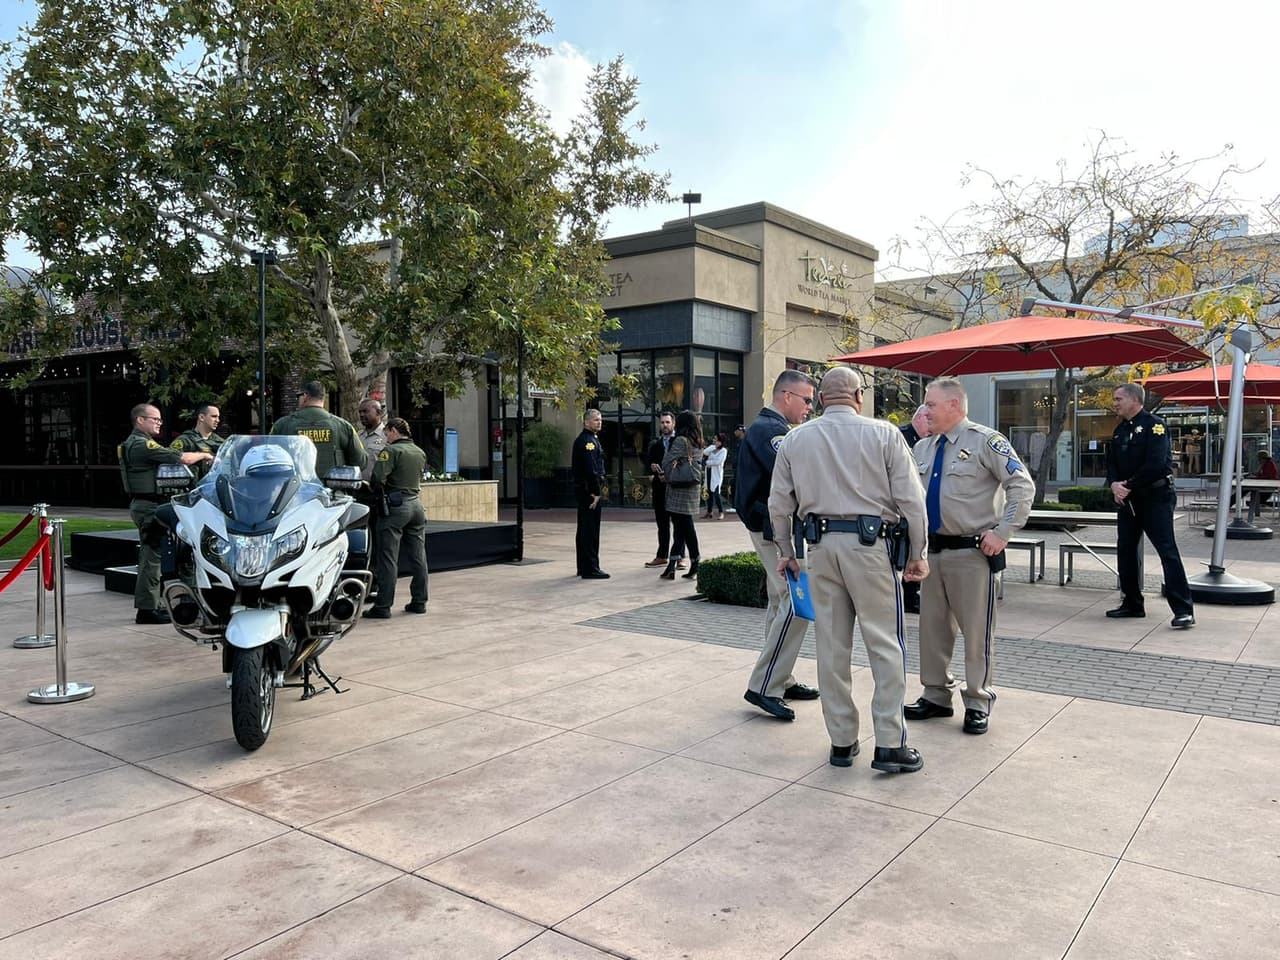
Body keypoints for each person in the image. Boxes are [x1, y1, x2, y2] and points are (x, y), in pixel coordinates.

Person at [770, 367, 929, 772]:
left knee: (832, 645)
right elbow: (912, 501)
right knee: (885, 644)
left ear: (821, 399)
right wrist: (918, 552)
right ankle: (890, 743)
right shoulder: (885, 434)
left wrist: (787, 550)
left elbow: (779, 504)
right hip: (870, 548)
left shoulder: (795, 439)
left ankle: (842, 741)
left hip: (820, 549)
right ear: (858, 396)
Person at [905, 376, 1035, 735]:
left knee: (976, 633)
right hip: (933, 554)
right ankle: (935, 696)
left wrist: (1003, 531)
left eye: (930, 404)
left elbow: (1021, 485)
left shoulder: (986, 441)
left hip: (971, 554)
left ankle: (977, 701)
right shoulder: (924, 448)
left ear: (954, 406)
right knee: (931, 631)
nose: (924, 411)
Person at [737, 370, 821, 721]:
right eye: (806, 400)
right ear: (786, 395)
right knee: (797, 603)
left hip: (770, 526)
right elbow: (797, 478)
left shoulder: (770, 429)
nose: (809, 408)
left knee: (780, 602)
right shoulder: (772, 431)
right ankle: (765, 684)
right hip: (774, 529)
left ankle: (779, 678)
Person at [1105, 382, 1195, 629]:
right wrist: (1114, 484)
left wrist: (1128, 485)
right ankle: (1132, 603)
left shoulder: (1155, 426)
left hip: (1155, 498)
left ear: (1134, 400)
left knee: (1167, 551)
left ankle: (1183, 609)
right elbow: (1111, 464)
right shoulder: (1119, 431)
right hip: (1128, 501)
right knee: (1125, 550)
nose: (1115, 404)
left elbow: (1156, 464)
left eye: (1118, 399)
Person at [118, 403, 213, 624]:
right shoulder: (141, 445)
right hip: (149, 507)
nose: (159, 423)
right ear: (140, 420)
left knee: (163, 554)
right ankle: (147, 609)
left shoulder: (137, 443)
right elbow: (180, 457)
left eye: (160, 419)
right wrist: (204, 456)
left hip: (151, 504)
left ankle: (164, 603)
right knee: (152, 557)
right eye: (155, 419)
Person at [366, 417, 428, 619]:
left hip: (395, 507)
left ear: (393, 431)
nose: (385, 436)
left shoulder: (391, 451)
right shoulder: (419, 451)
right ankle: (419, 601)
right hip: (416, 505)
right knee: (418, 556)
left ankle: (383, 605)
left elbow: (377, 478)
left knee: (388, 558)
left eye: (387, 433)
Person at [270, 380, 367, 477]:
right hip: (331, 489)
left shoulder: (282, 425)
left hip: (295, 489)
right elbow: (360, 461)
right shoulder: (343, 426)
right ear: (323, 398)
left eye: (298, 396)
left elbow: (270, 458)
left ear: (305, 396)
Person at [660, 411, 705, 580]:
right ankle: (672, 565)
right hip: (692, 488)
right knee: (682, 528)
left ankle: (695, 561)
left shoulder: (680, 440)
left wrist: (668, 470)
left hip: (679, 490)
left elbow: (666, 461)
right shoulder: (699, 442)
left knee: (684, 528)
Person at [899, 405, 930, 614]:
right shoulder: (900, 438)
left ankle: (914, 595)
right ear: (918, 418)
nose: (931, 427)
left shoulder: (931, 443)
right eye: (928, 420)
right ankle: (908, 597)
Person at [572, 409, 609, 579]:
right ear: (586, 422)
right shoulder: (588, 442)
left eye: (600, 420)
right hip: (589, 493)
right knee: (590, 530)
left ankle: (583, 566)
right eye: (595, 420)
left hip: (586, 491)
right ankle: (590, 568)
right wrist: (596, 492)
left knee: (585, 529)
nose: (599, 422)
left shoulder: (591, 439)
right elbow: (591, 469)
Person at [644, 412, 679, 568]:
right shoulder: (656, 444)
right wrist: (652, 468)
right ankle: (662, 555)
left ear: (673, 423)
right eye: (662, 422)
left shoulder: (679, 442)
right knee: (662, 524)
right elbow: (648, 463)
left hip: (676, 489)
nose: (665, 425)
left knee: (679, 524)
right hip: (659, 489)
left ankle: (680, 556)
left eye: (667, 422)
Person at [170, 402, 225, 478]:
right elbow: (171, 460)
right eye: (214, 416)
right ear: (201, 417)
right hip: (191, 488)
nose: (217, 420)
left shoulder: (222, 443)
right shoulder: (185, 440)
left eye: (218, 417)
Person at [356, 398, 388, 482]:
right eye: (360, 412)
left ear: (379, 413)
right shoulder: (358, 436)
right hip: (357, 488)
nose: (362, 415)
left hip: (378, 489)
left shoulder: (387, 436)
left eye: (366, 411)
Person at [701, 433, 728, 519]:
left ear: (721, 441)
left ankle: (721, 512)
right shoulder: (712, 448)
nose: (714, 441)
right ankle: (709, 512)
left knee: (716, 493)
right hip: (709, 473)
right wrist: (712, 447)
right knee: (709, 493)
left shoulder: (723, 451)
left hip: (716, 475)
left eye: (716, 439)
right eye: (714, 439)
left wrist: (707, 463)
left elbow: (717, 462)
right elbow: (704, 452)